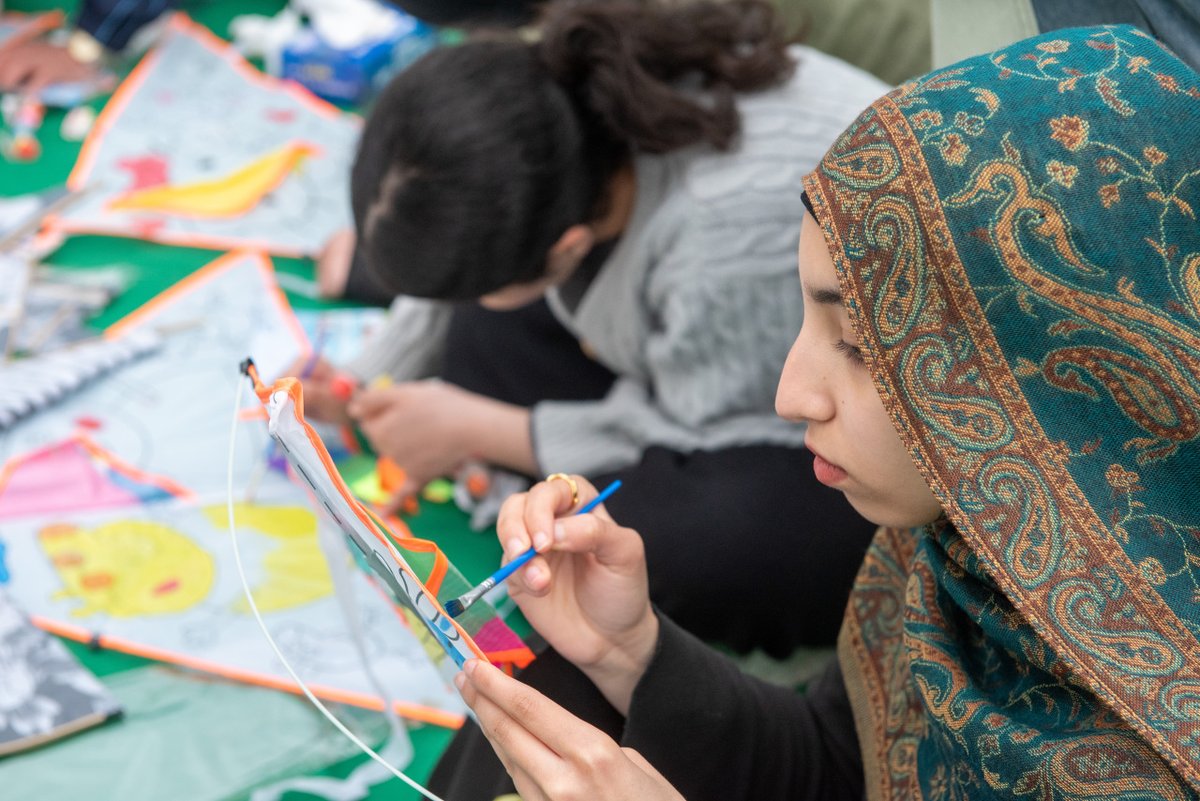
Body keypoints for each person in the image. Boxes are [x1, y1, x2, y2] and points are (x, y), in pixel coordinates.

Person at [440, 23, 1200, 800]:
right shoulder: (961, 548)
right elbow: (838, 766)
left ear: (1052, 366)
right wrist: (629, 650)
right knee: (557, 694)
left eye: (862, 344)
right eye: (807, 318)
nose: (789, 394)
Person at [300, 0, 886, 656]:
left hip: (838, 408)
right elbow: (475, 250)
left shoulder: (714, 231)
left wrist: (483, 428)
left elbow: (719, 426)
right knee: (480, 333)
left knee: (674, 542)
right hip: (722, 332)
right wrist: (369, 375)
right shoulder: (553, 99)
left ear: (568, 248)